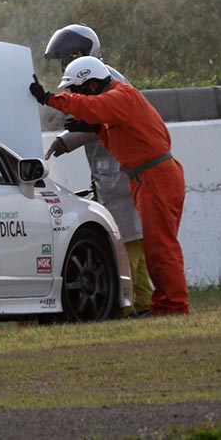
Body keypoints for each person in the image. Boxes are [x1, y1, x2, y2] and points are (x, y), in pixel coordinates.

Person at [30, 57, 189, 315]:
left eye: (78, 89)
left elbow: (88, 105)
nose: (76, 95)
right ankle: (164, 305)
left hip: (155, 177)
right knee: (156, 247)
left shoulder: (120, 95)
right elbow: (117, 136)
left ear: (92, 84)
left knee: (161, 247)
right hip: (149, 177)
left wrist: (48, 98)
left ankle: (174, 307)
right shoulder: (120, 100)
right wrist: (97, 128)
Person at [42, 24, 153, 317]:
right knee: (131, 243)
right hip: (115, 173)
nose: (66, 65)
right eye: (63, 60)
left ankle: (139, 305)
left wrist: (64, 142)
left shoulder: (106, 81)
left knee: (129, 243)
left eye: (71, 57)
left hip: (120, 172)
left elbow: (98, 122)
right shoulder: (99, 79)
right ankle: (141, 302)